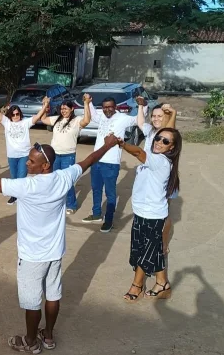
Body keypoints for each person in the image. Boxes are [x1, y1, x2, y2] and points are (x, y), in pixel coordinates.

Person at [0, 134, 120, 353]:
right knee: (53, 295)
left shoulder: (25, 187)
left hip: (32, 256)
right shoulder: (64, 177)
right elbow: (89, 160)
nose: (26, 163)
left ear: (45, 166)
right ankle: (48, 337)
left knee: (32, 303)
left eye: (31, 161)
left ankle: (30, 342)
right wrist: (108, 145)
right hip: (55, 252)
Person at [118, 128, 181, 302]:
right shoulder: (154, 159)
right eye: (158, 138)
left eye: (165, 141)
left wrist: (122, 144)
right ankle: (162, 283)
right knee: (150, 250)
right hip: (141, 213)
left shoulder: (160, 161)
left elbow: (138, 151)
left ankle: (136, 286)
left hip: (152, 216)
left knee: (144, 253)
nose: (159, 142)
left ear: (172, 147)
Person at [81, 96, 142, 232]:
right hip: (97, 161)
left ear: (115, 107)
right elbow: (94, 115)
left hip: (110, 164)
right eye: (104, 107)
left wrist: (142, 106)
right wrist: (89, 102)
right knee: (96, 189)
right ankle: (96, 214)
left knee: (110, 193)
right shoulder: (102, 116)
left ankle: (109, 221)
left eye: (110, 107)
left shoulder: (123, 118)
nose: (107, 109)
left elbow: (138, 120)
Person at [0, 96, 49, 205]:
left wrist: (45, 105)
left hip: (24, 154)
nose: (15, 116)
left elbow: (37, 117)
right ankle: (14, 196)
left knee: (21, 175)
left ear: (20, 114)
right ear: (10, 115)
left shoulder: (25, 122)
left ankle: (20, 196)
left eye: (17, 114)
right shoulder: (7, 122)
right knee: (13, 176)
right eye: (13, 114)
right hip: (12, 155)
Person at [136, 98, 178, 253]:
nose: (156, 118)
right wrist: (140, 106)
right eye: (153, 116)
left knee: (164, 212)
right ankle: (151, 240)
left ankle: (163, 243)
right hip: (150, 178)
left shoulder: (165, 134)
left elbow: (171, 127)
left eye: (160, 116)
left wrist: (172, 113)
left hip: (163, 178)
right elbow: (140, 122)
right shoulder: (150, 131)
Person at [39, 94, 93, 214]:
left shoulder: (76, 120)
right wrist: (45, 105)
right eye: (62, 109)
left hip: (68, 156)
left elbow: (87, 120)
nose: (63, 111)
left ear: (72, 109)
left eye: (66, 109)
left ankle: (71, 205)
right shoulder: (57, 119)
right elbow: (43, 119)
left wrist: (86, 103)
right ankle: (56, 203)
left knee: (67, 181)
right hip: (54, 155)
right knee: (54, 180)